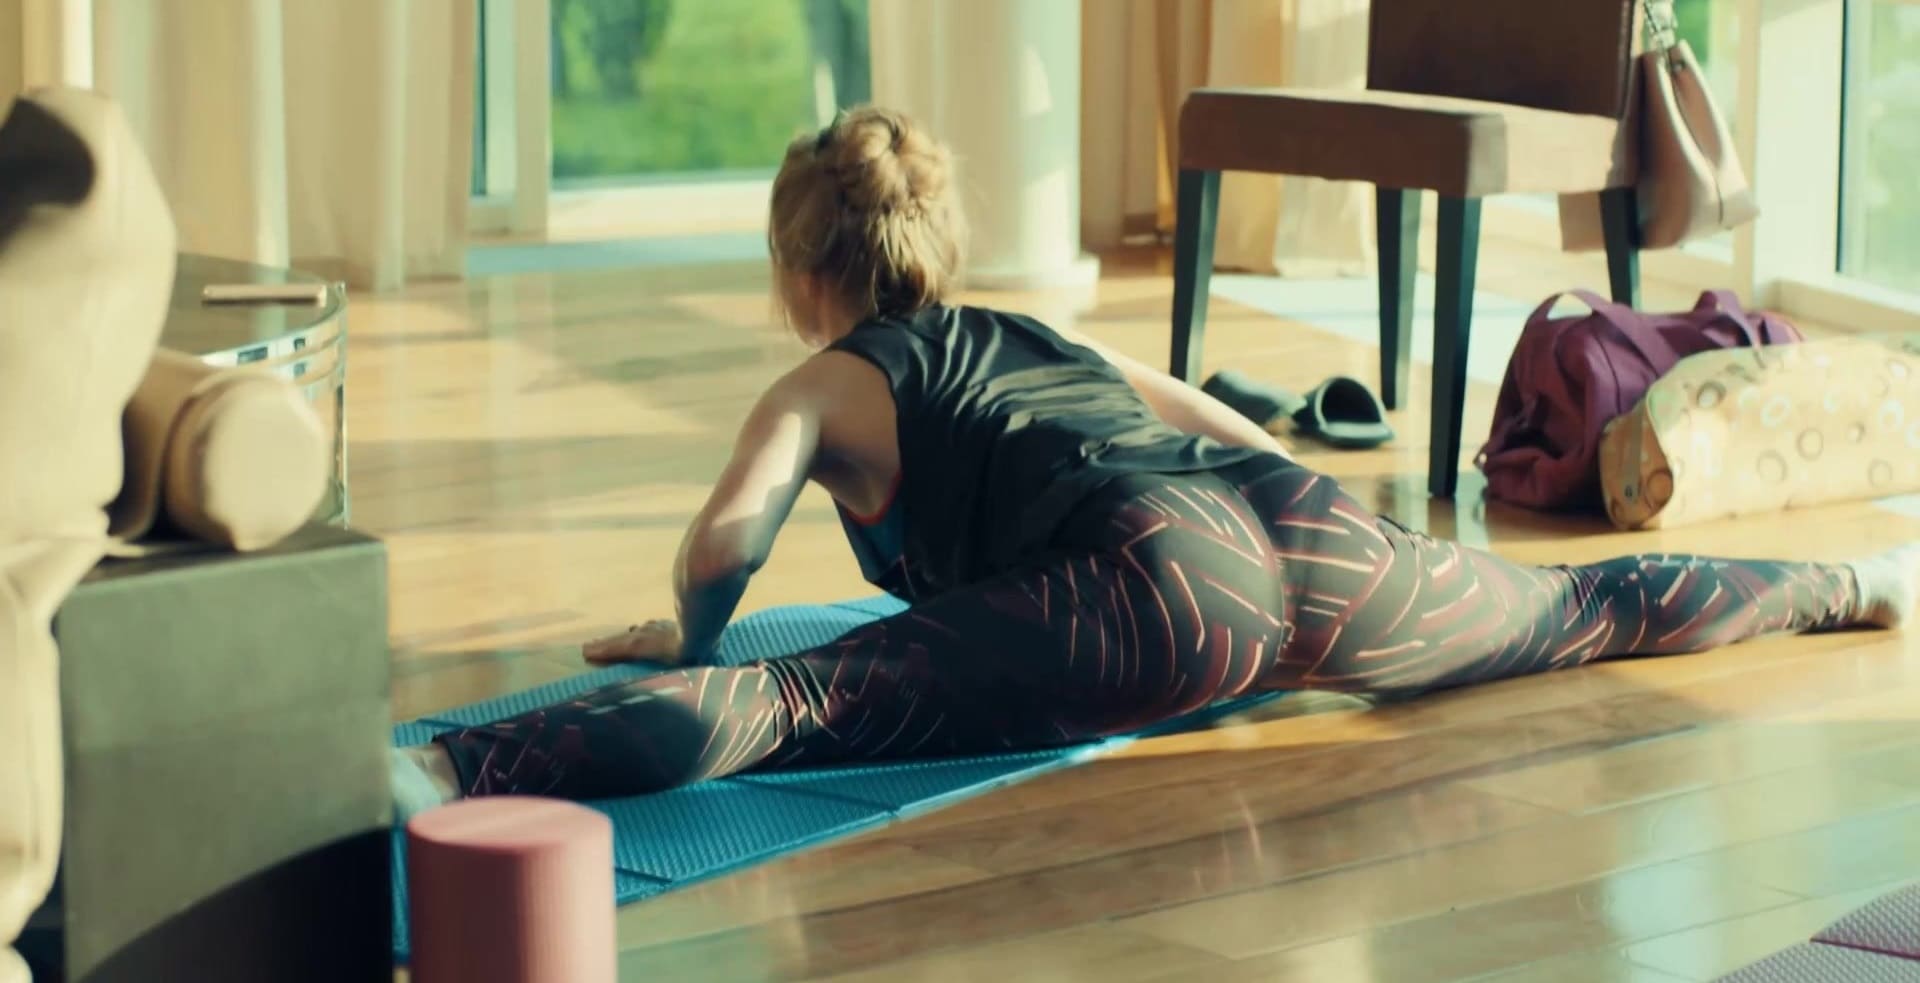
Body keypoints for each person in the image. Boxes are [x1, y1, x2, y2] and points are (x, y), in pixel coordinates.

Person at [390, 107, 1916, 815]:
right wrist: (1366, 541)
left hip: (1158, 591)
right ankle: (1851, 583)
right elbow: (1224, 425)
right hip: (1309, 542)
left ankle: (445, 770)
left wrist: (689, 630)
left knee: (792, 704)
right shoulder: (1037, 334)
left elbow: (729, 542)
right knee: (1577, 613)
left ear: (800, 270)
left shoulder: (819, 383)